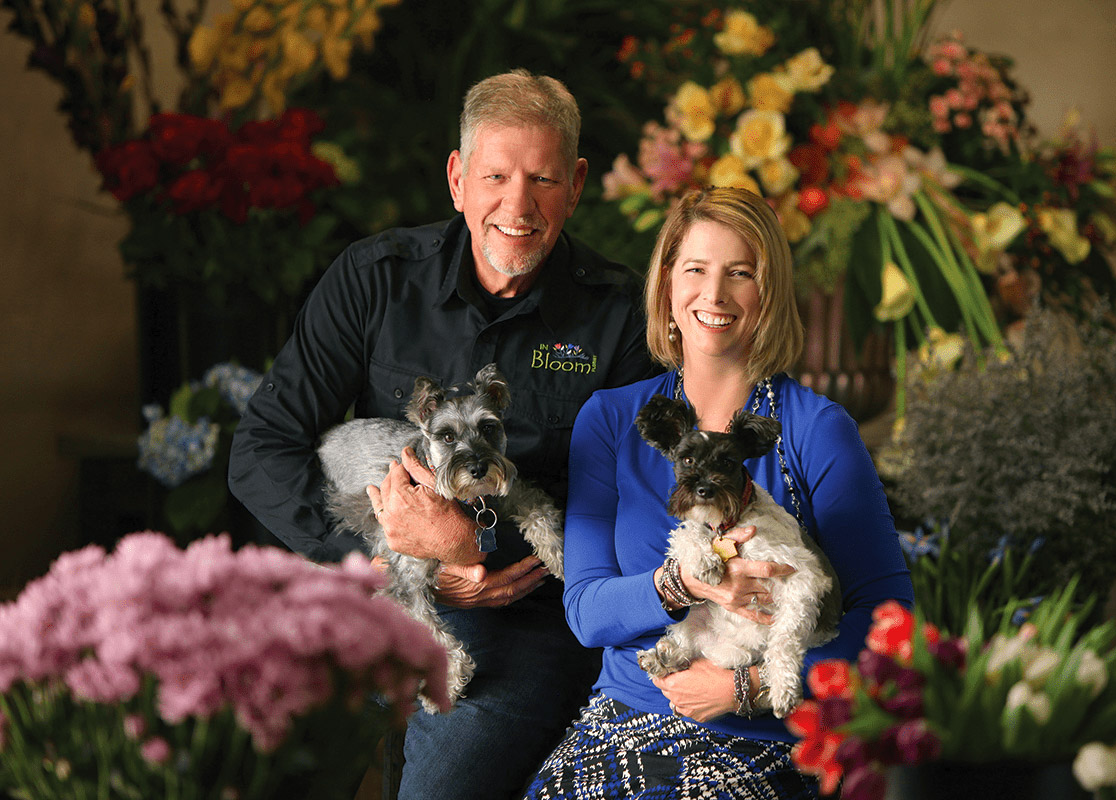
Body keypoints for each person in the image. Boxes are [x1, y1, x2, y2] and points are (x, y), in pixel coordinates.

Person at [227, 69, 657, 800]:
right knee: (240, 769)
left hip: (521, 622)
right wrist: (387, 558)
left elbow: (623, 506)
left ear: (577, 184)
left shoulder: (618, 317)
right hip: (354, 592)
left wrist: (471, 554)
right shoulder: (373, 279)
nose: (517, 206)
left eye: (543, 179)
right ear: (458, 178)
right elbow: (262, 449)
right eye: (496, 175)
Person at [520, 187, 914, 799]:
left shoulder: (814, 427)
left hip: (769, 736)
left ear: (769, 295)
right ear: (667, 287)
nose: (715, 294)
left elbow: (890, 622)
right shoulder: (611, 419)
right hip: (623, 720)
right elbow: (587, 612)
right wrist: (683, 584)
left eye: (741, 273)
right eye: (696, 269)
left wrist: (747, 686)